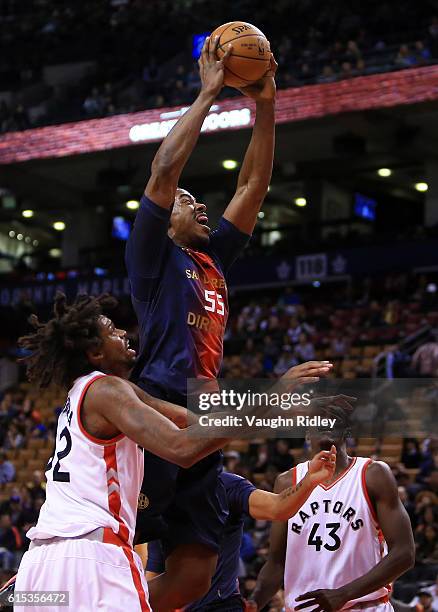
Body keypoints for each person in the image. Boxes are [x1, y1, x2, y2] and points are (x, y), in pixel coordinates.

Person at [125, 33, 277, 610]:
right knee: (122, 547)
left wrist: (266, 101)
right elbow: (163, 171)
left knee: (193, 574)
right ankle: (42, 593)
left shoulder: (212, 261)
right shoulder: (153, 258)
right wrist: (210, 94)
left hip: (204, 412)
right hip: (157, 406)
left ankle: (105, 598)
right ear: (164, 223)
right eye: (188, 201)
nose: (198, 204)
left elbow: (253, 184)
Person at [13, 293, 240, 611]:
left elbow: (196, 422)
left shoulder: (84, 396)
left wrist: (279, 408)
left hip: (38, 567)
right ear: (94, 351)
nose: (123, 333)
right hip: (92, 559)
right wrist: (271, 406)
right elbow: (182, 447)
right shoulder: (108, 389)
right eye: (112, 330)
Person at [248, 420, 415, 612]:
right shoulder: (287, 482)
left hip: (363, 607)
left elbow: (405, 553)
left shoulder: (373, 474)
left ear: (347, 431)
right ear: (307, 433)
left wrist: (344, 594)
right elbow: (276, 563)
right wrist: (254, 602)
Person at [146, 446, 337, 611]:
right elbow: (154, 568)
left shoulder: (227, 485)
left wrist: (308, 481)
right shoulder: (163, 495)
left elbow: (276, 507)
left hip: (221, 605)